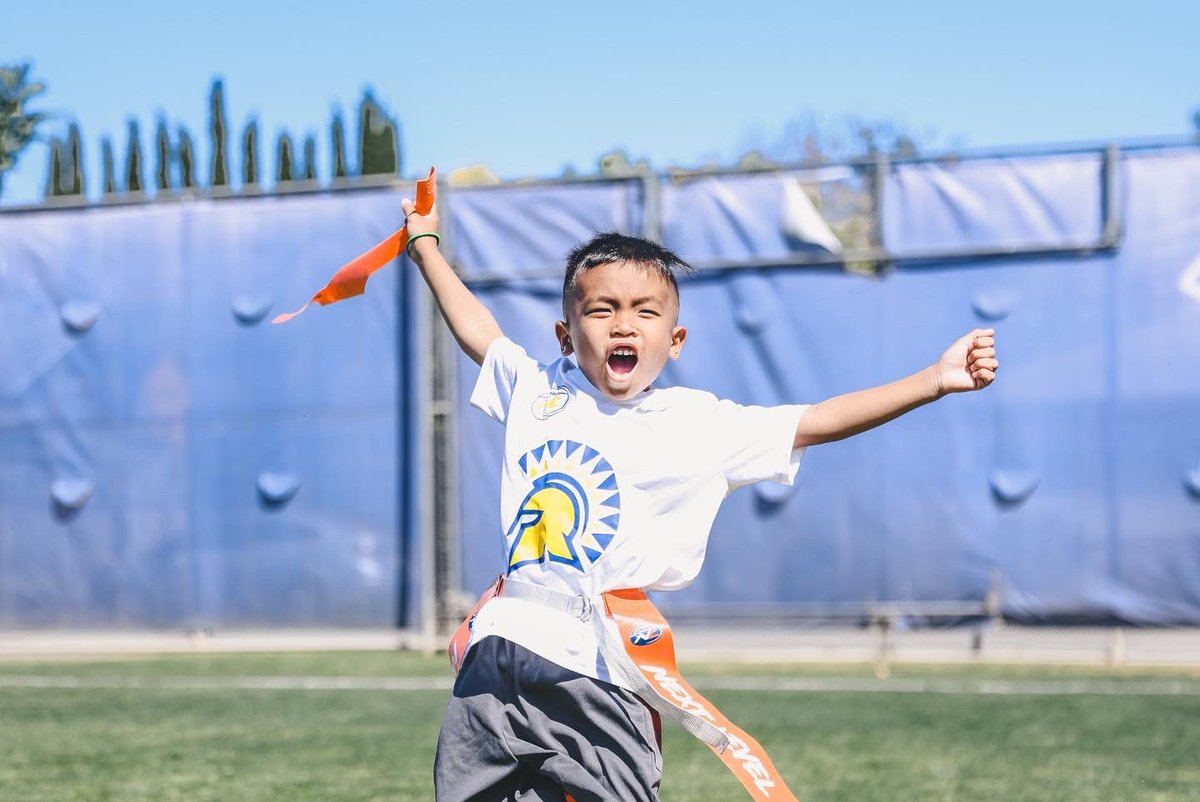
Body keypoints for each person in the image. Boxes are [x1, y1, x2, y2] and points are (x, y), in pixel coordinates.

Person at [401, 197, 999, 802]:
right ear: (565, 333)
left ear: (676, 338)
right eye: (602, 309)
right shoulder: (538, 389)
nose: (623, 324)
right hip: (494, 660)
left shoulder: (698, 424)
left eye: (645, 311)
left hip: (595, 669)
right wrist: (424, 243)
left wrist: (933, 380)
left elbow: (816, 420)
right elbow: (479, 329)